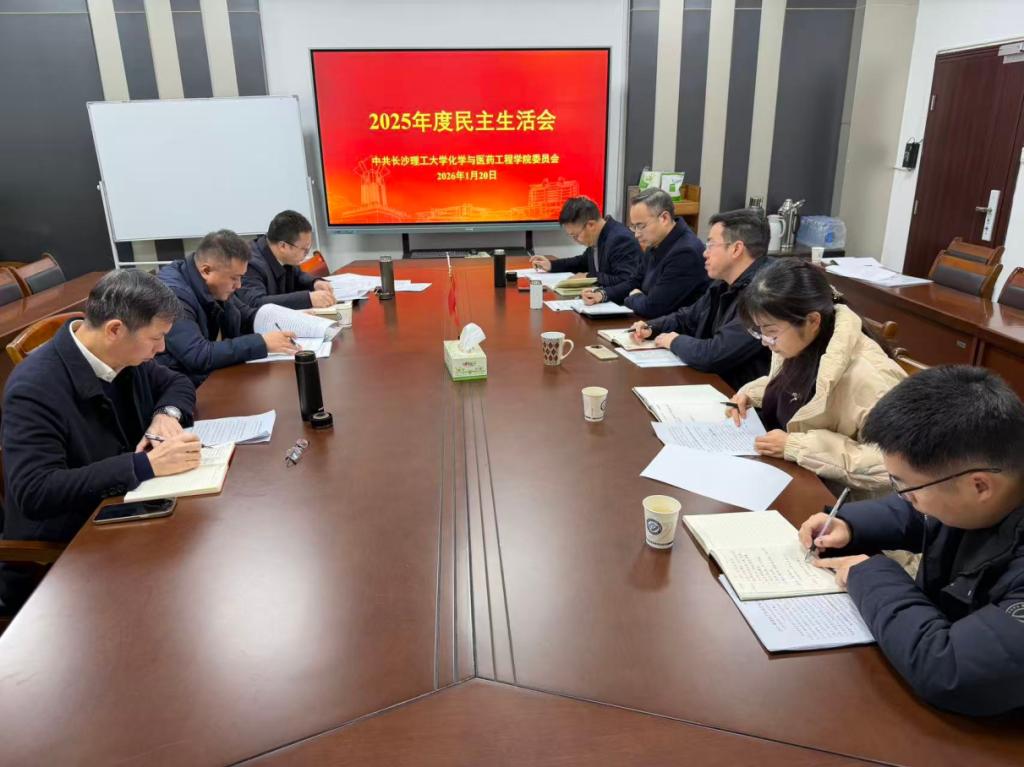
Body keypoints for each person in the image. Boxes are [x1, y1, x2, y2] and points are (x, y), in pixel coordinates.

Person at [799, 366, 1024, 716]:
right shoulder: (988, 484)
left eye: (906, 485)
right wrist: (851, 524)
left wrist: (871, 575)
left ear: (979, 486)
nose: (903, 495)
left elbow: (950, 670)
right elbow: (924, 514)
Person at [1, 269, 202, 610]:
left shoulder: (123, 354)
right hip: (64, 557)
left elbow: (177, 383)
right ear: (114, 330)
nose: (162, 348)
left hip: (123, 514)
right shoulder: (34, 388)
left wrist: (166, 414)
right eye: (156, 338)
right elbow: (36, 491)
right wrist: (144, 465)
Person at [726, 258, 905, 494]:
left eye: (771, 332)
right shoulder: (803, 342)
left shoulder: (870, 374)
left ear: (812, 321)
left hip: (838, 500)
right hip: (793, 476)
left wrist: (797, 446)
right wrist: (751, 394)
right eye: (760, 332)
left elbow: (893, 464)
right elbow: (798, 387)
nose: (766, 343)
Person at [629, 209, 771, 391]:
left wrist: (674, 341)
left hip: (738, 395)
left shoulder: (765, 294)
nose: (705, 253)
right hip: (713, 383)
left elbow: (715, 354)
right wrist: (653, 327)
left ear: (736, 249)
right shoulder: (722, 283)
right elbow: (688, 317)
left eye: (711, 245)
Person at [157, 229, 300, 385]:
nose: (238, 286)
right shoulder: (173, 296)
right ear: (206, 270)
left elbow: (246, 316)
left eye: (241, 278)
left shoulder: (216, 286)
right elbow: (198, 355)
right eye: (234, 278)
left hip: (212, 377)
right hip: (182, 384)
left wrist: (295, 320)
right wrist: (262, 343)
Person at [580, 188, 708, 318]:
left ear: (664, 218)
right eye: (634, 227)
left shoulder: (685, 253)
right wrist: (602, 294)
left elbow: (653, 307)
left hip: (675, 327)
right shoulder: (657, 242)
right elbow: (634, 282)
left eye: (641, 226)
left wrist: (634, 298)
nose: (636, 234)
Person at [527, 196, 640, 286]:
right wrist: (551, 265)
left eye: (575, 235)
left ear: (591, 225)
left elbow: (626, 280)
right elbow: (581, 262)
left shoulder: (620, 239)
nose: (575, 240)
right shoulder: (598, 237)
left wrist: (588, 277)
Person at [235, 210, 336, 310]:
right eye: (304, 249)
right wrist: (308, 299)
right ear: (283, 246)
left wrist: (314, 283)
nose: (306, 254)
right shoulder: (250, 263)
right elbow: (256, 302)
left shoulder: (282, 257)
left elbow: (298, 276)